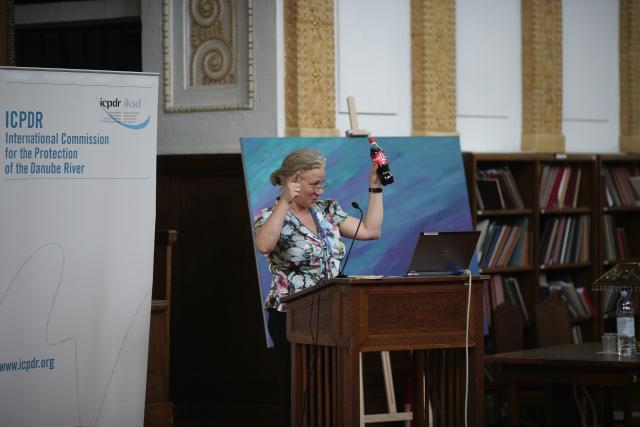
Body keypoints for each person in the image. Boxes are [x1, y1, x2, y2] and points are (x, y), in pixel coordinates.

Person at [253, 148, 384, 427]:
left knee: (331, 390)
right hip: (291, 316)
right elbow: (264, 244)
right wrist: (284, 203)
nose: (320, 190)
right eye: (314, 183)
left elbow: (371, 231)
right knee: (299, 391)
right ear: (293, 180)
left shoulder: (327, 211)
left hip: (332, 314)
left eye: (322, 183)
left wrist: (376, 187)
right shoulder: (270, 215)